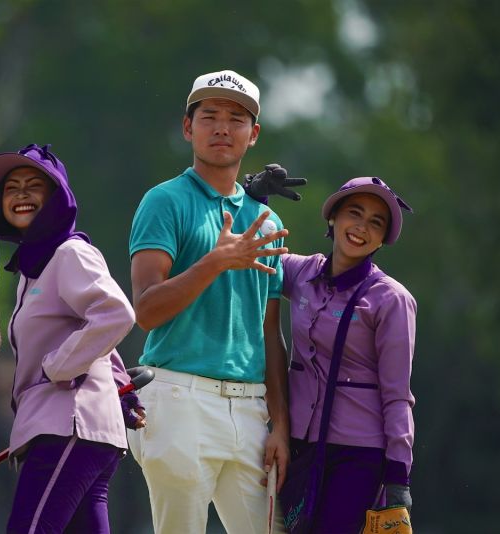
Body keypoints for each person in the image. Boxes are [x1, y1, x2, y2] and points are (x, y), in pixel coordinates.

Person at [127, 69, 290, 534]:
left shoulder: (266, 218)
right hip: (178, 396)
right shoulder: (164, 201)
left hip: (252, 408)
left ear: (253, 134)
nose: (222, 127)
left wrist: (280, 425)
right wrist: (216, 262)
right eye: (210, 116)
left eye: (236, 119)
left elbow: (270, 333)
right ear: (188, 127)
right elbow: (146, 311)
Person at [0, 143, 142, 534]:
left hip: (67, 427)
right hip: (79, 430)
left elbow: (116, 313)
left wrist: (58, 367)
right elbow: (95, 329)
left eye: (34, 185)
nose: (20, 194)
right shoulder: (35, 269)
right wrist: (121, 388)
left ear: (57, 199)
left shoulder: (69, 253)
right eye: (11, 187)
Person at [274, 176, 416, 533]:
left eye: (376, 223)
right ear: (333, 217)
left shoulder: (391, 300)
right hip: (300, 446)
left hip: (359, 455)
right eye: (354, 213)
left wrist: (399, 475)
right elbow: (254, 251)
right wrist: (248, 198)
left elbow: (398, 394)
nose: (361, 228)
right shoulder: (301, 272)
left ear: (384, 238)